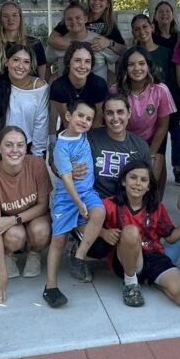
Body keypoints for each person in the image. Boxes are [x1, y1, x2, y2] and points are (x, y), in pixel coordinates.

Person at [88, 160, 180, 308]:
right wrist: (104, 232)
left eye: (144, 180)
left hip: (153, 256)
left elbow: (170, 237)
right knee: (131, 231)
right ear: (124, 181)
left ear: (149, 187)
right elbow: (82, 223)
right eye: (133, 178)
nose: (138, 183)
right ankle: (130, 283)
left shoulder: (156, 207)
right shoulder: (108, 204)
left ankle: (148, 280)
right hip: (126, 260)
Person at [43, 99, 106, 308]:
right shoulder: (61, 146)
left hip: (87, 192)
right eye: (80, 116)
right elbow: (67, 180)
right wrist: (78, 203)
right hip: (67, 198)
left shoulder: (84, 136)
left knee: (99, 212)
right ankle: (50, 286)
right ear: (68, 116)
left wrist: (83, 200)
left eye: (89, 119)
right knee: (58, 240)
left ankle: (79, 257)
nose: (84, 121)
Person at [0, 126, 52, 303]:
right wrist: (2, 275)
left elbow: (43, 206)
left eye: (20, 145)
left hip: (30, 217)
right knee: (15, 236)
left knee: (41, 230)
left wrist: (15, 219)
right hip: (11, 227)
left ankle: (35, 252)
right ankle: (9, 255)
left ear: (25, 147)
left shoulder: (36, 165)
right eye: (9, 145)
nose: (15, 150)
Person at [112, 46, 175, 196]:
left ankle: (156, 209)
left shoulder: (161, 90)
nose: (137, 68)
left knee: (150, 182)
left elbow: (163, 126)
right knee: (127, 185)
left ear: (148, 65)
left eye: (141, 63)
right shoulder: (116, 91)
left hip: (153, 140)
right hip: (126, 142)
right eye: (131, 64)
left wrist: (150, 154)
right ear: (125, 68)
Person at [0, 43, 50, 156]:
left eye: (26, 62)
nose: (21, 66)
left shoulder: (40, 88)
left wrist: (37, 155)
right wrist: (2, 150)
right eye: (16, 60)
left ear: (30, 66)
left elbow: (41, 123)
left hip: (31, 148)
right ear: (7, 62)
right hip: (6, 147)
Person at [87, 94, 152, 199]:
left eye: (120, 112)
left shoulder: (140, 146)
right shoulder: (90, 138)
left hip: (126, 204)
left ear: (129, 113)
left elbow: (147, 183)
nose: (115, 118)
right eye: (109, 113)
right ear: (103, 115)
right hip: (94, 202)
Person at [151, 1, 180, 184]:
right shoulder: (151, 39)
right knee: (161, 139)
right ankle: (160, 170)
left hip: (177, 92)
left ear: (172, 15)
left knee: (179, 140)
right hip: (158, 96)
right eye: (160, 11)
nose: (164, 14)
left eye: (168, 10)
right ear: (155, 16)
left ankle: (178, 167)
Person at [48, 0, 126, 63]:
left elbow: (122, 49)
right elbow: (52, 39)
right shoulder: (76, 17)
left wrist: (109, 43)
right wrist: (77, 48)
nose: (96, 2)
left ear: (107, 4)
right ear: (88, 0)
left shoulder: (109, 24)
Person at [48, 1, 118, 82]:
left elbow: (115, 60)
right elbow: (45, 64)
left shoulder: (99, 41)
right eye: (69, 19)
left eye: (78, 18)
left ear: (85, 19)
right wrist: (46, 83)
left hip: (97, 91)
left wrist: (112, 83)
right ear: (64, 22)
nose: (74, 22)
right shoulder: (57, 43)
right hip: (65, 92)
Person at [0, 0, 48, 81]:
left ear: (20, 17)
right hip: (0, 92)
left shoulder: (35, 44)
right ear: (0, 19)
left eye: (14, 15)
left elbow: (42, 72)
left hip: (28, 91)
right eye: (6, 16)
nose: (10, 19)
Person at [49, 41, 107, 131]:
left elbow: (98, 119)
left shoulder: (99, 84)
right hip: (70, 131)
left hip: (95, 131)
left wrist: (89, 141)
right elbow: (66, 121)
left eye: (87, 61)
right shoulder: (58, 87)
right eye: (77, 60)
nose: (82, 66)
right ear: (68, 63)